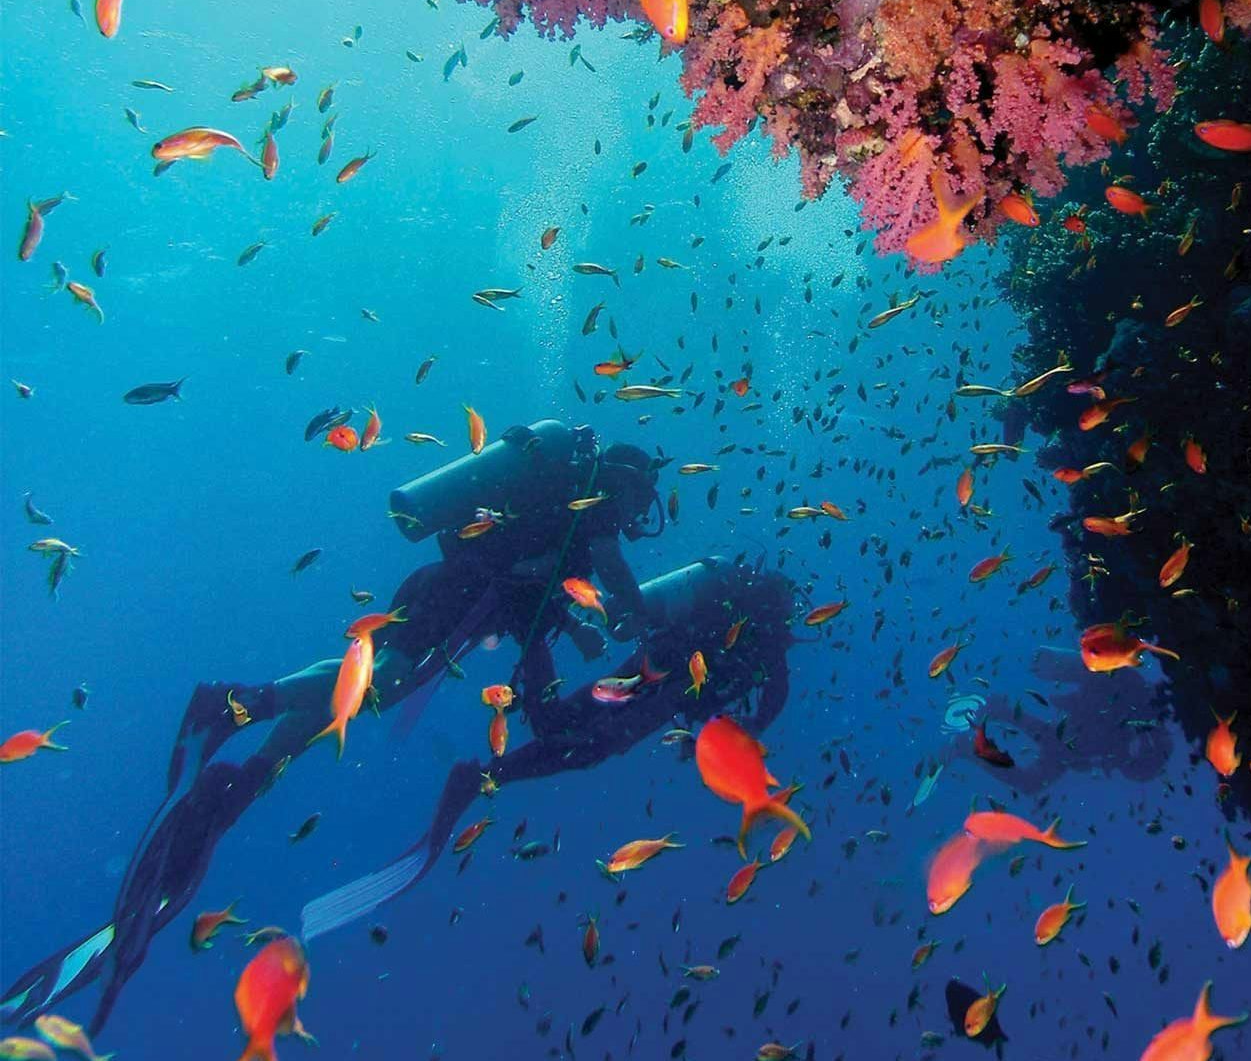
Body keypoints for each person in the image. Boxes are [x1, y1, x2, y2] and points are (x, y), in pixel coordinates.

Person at [1, 419, 797, 1034]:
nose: (636, 515)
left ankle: (253, 762)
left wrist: (586, 626)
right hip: (465, 601)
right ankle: (240, 703)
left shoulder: (564, 513)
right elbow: (608, 588)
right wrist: (627, 618)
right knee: (378, 685)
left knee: (371, 687)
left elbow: (556, 591)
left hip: (467, 598)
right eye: (636, 500)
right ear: (619, 484)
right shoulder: (589, 513)